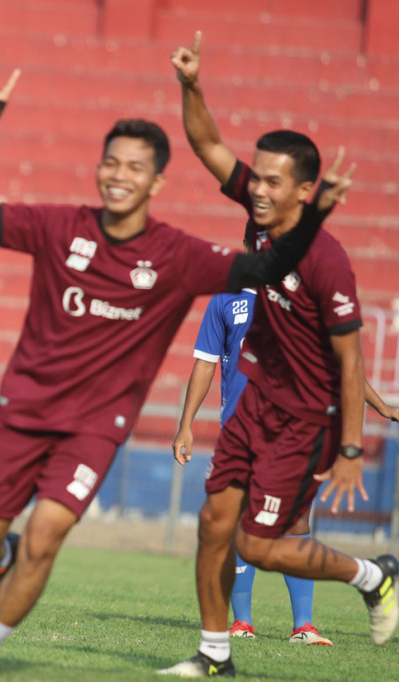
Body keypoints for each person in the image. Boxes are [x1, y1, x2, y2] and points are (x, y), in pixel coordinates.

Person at [0, 69, 350, 676]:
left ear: (157, 180)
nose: (118, 175)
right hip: (24, 411)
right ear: (99, 168)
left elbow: (266, 269)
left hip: (94, 428)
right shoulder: (59, 227)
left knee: (47, 536)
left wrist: (314, 215)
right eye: (111, 162)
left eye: (135, 167)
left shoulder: (178, 256)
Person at [160, 32, 398, 678]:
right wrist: (191, 86)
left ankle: (373, 576)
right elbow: (209, 147)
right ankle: (214, 656)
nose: (255, 188)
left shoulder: (328, 262)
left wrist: (350, 449)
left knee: (259, 545)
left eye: (271, 180)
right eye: (255, 177)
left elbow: (350, 363)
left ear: (304, 191)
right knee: (215, 524)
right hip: (255, 403)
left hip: (304, 421)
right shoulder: (263, 221)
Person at [176, 290, 399, 647]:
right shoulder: (224, 301)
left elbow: (340, 365)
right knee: (234, 521)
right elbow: (205, 361)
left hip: (295, 431)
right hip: (240, 431)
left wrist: (382, 407)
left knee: (295, 522)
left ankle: (304, 626)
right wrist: (186, 423)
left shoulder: (304, 298)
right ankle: (241, 622)